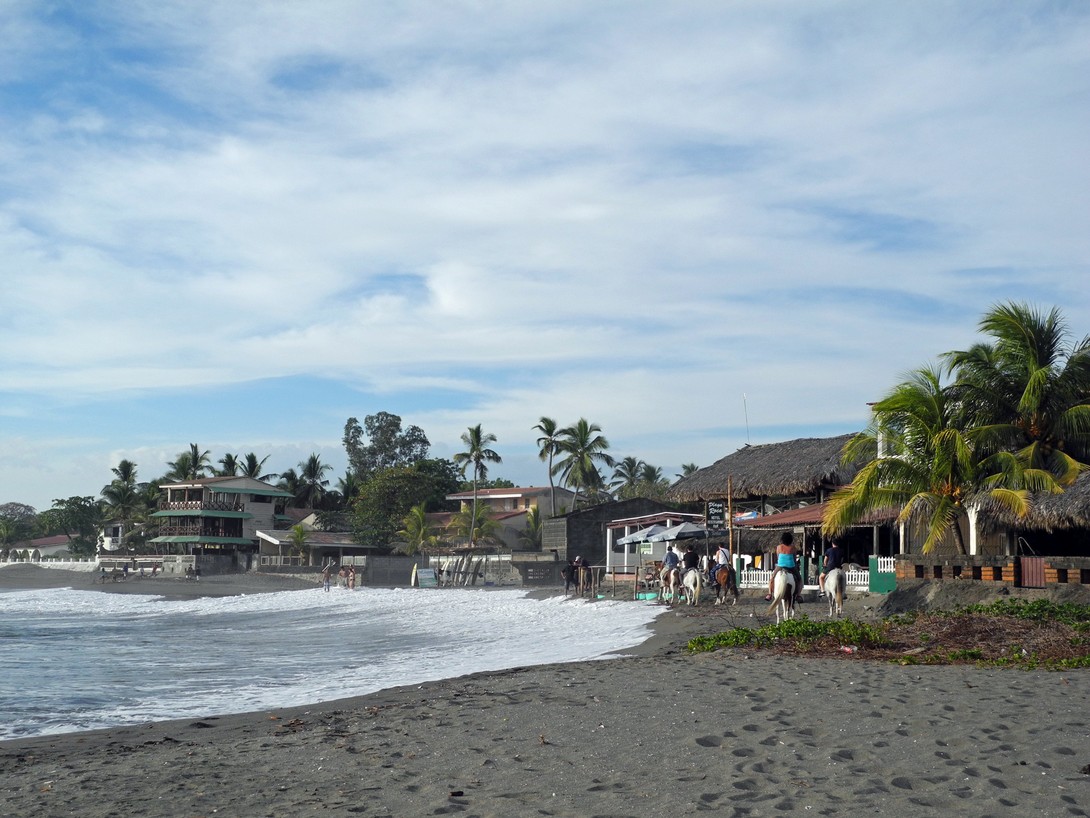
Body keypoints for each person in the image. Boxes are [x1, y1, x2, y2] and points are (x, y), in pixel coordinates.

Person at [765, 532, 802, 603]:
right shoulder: (793, 548)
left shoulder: (779, 547)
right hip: (791, 566)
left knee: (772, 578)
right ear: (791, 539)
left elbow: (778, 557)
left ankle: (769, 594)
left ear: (782, 539)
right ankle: (798, 595)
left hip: (780, 566)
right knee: (800, 579)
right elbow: (794, 559)